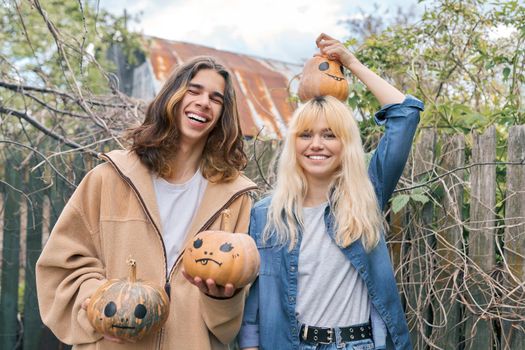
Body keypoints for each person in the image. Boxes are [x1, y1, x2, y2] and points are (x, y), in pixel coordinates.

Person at [36, 56, 257, 349]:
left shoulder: (235, 199)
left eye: (216, 98)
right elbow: (62, 264)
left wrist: (221, 299)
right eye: (194, 90)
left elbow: (228, 322)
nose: (204, 102)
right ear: (171, 96)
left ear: (222, 114)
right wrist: (100, 306)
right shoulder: (110, 178)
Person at [238, 33, 424, 350]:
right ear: (292, 144)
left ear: (345, 145)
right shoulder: (267, 215)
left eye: (329, 135)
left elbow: (405, 114)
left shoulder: (367, 195)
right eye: (306, 135)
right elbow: (254, 305)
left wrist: (351, 63)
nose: (316, 145)